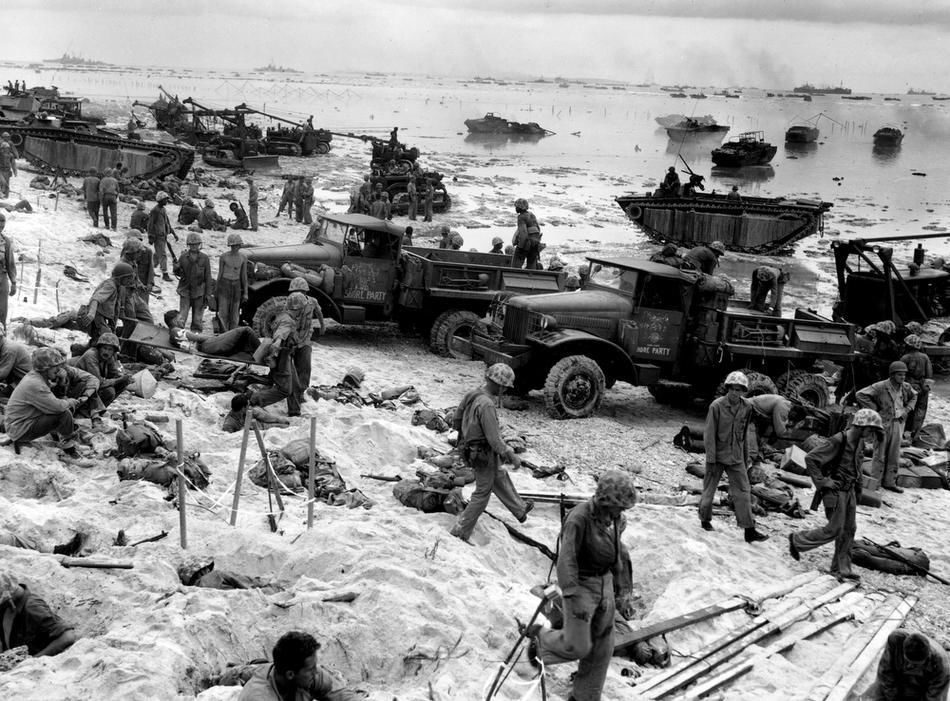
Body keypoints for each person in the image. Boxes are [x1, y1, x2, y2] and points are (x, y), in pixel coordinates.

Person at [530, 470, 638, 701]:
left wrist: (619, 584)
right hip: (581, 584)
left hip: (604, 583)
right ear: (607, 501)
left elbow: (617, 549)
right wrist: (571, 594)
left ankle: (583, 697)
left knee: (602, 647)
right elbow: (566, 559)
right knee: (578, 646)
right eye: (619, 506)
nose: (621, 512)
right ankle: (540, 640)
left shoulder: (616, 518)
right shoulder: (578, 519)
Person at [789, 408, 884, 581]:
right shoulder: (838, 440)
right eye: (870, 429)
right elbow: (811, 459)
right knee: (835, 529)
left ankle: (842, 569)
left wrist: (859, 489)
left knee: (849, 530)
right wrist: (823, 482)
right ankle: (797, 540)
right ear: (861, 426)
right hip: (835, 491)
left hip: (850, 491)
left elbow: (857, 467)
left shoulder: (860, 443)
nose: (871, 434)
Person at [449, 363, 531, 543]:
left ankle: (520, 509)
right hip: (482, 454)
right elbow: (494, 439)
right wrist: (510, 454)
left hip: (469, 449)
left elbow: (456, 419)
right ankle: (461, 531)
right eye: (504, 387)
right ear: (500, 385)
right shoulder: (486, 405)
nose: (504, 391)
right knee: (481, 494)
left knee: (498, 474)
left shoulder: (473, 394)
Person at [699, 370, 769, 542]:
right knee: (709, 489)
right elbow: (709, 434)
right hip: (717, 455)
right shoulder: (716, 406)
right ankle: (705, 519)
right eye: (732, 389)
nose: (735, 393)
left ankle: (749, 530)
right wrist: (711, 458)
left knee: (744, 491)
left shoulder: (747, 407)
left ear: (744, 391)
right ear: (728, 388)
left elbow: (744, 433)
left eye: (739, 390)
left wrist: (746, 457)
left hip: (736, 456)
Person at [4, 348, 100, 454]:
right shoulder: (36, 384)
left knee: (61, 408)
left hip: (19, 425)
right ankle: (69, 449)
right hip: (19, 429)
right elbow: (57, 407)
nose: (59, 370)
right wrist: (70, 402)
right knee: (63, 414)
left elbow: (51, 394)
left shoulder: (35, 376)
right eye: (56, 367)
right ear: (45, 367)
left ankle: (64, 438)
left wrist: (62, 383)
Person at [250, 283, 323, 417]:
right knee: (285, 389)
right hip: (283, 356)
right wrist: (275, 349)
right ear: (298, 308)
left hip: (285, 354)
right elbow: (280, 334)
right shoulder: (288, 321)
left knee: (292, 386)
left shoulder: (283, 315)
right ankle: (254, 400)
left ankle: (294, 411)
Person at [237, 630, 364, 701]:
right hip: (252, 678)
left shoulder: (307, 675)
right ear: (291, 674)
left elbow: (344, 697)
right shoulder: (259, 696)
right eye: (311, 670)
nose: (316, 673)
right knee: (239, 674)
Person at [856, 361, 917, 493]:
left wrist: (907, 410)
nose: (903, 377)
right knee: (879, 454)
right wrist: (874, 410)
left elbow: (915, 396)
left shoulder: (905, 387)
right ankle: (875, 483)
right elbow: (860, 394)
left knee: (894, 454)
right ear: (892, 375)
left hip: (898, 423)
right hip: (883, 424)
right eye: (900, 375)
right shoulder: (880, 386)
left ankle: (890, 482)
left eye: (904, 375)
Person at [0, 573, 78, 657]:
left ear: (8, 597)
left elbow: (67, 637)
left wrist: (35, 660)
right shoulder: (7, 607)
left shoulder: (32, 607)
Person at [865, 629, 950, 701]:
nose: (909, 666)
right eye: (907, 661)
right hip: (895, 683)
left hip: (918, 692)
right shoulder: (896, 640)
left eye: (915, 665)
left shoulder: (941, 667)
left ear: (927, 658)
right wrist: (892, 698)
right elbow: (885, 672)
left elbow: (934, 698)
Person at [69, 332, 131, 411]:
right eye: (104, 348)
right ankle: (87, 410)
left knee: (123, 383)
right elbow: (98, 382)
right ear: (99, 348)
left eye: (110, 349)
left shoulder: (109, 357)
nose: (107, 352)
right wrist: (119, 379)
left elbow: (114, 374)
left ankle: (98, 409)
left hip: (92, 386)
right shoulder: (91, 356)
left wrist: (124, 377)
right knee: (109, 391)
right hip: (78, 386)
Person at [164, 310, 261, 357]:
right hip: (208, 345)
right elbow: (196, 338)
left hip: (207, 346)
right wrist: (215, 337)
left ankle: (258, 352)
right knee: (246, 330)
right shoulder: (175, 331)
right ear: (174, 321)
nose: (183, 320)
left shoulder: (172, 334)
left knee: (241, 339)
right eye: (180, 319)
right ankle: (263, 353)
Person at [84, 262, 135, 344]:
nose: (130, 281)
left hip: (106, 318)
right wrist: (91, 313)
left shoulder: (119, 286)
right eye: (128, 278)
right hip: (98, 317)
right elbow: (96, 298)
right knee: (108, 340)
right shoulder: (110, 285)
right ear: (120, 277)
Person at [174, 232, 213, 332]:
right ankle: (178, 335)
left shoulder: (204, 258)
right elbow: (178, 274)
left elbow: (208, 277)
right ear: (188, 245)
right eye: (192, 244)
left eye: (196, 244)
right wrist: (176, 268)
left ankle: (196, 337)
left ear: (199, 245)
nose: (194, 246)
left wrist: (208, 294)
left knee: (197, 319)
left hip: (199, 292)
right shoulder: (183, 257)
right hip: (185, 290)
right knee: (182, 316)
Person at [900, 334, 933, 439]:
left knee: (907, 408)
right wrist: (926, 388)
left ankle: (904, 432)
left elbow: (898, 373)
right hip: (923, 386)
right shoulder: (925, 357)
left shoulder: (905, 358)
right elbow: (929, 374)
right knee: (921, 409)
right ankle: (915, 433)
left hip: (908, 386)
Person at [216, 233, 249, 332]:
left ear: (240, 246)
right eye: (233, 246)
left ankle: (233, 333)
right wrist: (217, 289)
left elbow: (243, 276)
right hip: (224, 284)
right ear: (230, 246)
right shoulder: (224, 257)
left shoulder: (243, 257)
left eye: (237, 245)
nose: (235, 248)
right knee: (223, 312)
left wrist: (246, 292)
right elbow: (220, 274)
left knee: (235, 313)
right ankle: (223, 333)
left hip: (237, 285)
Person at [118, 236, 154, 322]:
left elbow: (136, 278)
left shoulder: (133, 262)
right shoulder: (122, 267)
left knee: (148, 319)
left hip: (135, 296)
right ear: (132, 252)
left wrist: (141, 285)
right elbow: (121, 288)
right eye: (138, 252)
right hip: (126, 299)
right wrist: (122, 307)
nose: (140, 254)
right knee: (131, 322)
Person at [221, 393, 289, 433]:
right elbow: (231, 438)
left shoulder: (249, 411)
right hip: (256, 435)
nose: (249, 406)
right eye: (248, 405)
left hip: (263, 427)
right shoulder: (229, 424)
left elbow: (265, 417)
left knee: (286, 426)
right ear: (243, 408)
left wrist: (278, 419)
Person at [148, 191, 178, 282]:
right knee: (163, 255)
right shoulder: (155, 210)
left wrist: (173, 233)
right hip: (158, 236)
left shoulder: (163, 210)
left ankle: (150, 270)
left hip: (163, 235)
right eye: (165, 199)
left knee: (158, 254)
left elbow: (167, 223)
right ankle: (165, 274)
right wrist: (151, 236)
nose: (167, 201)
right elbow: (150, 224)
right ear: (160, 200)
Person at [511, 198, 542, 269]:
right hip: (535, 244)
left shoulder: (521, 217)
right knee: (531, 267)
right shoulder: (532, 215)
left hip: (526, 243)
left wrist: (520, 248)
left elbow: (523, 234)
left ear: (519, 207)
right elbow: (538, 229)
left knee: (515, 266)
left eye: (516, 207)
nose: (515, 208)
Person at [0, 322, 31, 390]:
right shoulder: (4, 346)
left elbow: (2, 374)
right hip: (17, 380)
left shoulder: (9, 349)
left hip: (24, 383)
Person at [0, 212, 18, 325]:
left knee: (2, 309)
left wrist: (14, 282)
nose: (0, 228)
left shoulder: (6, 242)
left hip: (2, 278)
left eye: (2, 226)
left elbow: (10, 263)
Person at [0, 132, 19, 199]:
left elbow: (13, 164)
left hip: (7, 171)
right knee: (3, 183)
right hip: (1, 170)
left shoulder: (10, 155)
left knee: (6, 184)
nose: (7, 149)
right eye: (6, 136)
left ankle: (6, 196)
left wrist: (15, 171)